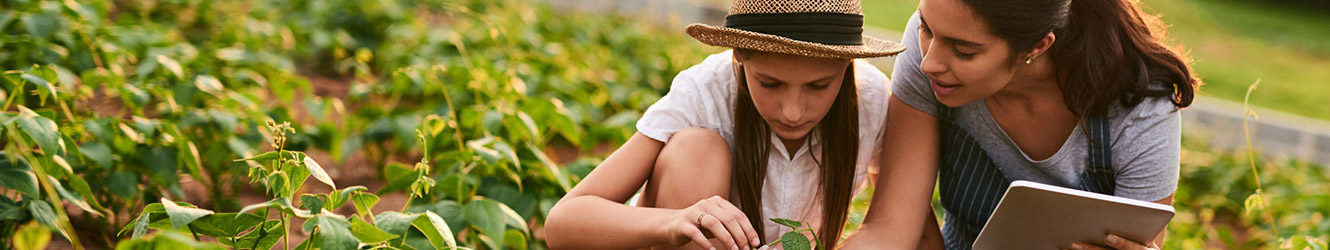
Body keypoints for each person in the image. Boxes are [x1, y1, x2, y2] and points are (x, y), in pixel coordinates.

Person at [543, 0, 905, 249]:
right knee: (696, 150)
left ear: (848, 66)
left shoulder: (870, 98)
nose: (793, 111)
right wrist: (674, 222)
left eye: (819, 86)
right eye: (769, 83)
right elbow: (563, 223)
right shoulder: (705, 92)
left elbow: (902, 224)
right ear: (739, 56)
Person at [839, 0, 1200, 249]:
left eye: (964, 51)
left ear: (1037, 46)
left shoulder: (1140, 109)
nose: (929, 62)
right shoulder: (936, 47)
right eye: (925, 28)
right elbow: (893, 230)